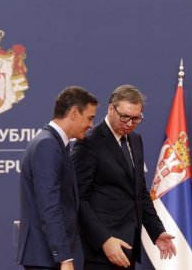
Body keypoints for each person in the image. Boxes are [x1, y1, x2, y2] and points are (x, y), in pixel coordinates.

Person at [71, 85, 176, 269]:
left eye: (136, 118)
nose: (129, 123)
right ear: (111, 109)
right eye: (125, 117)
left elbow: (139, 192)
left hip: (128, 249)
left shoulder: (135, 140)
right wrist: (104, 240)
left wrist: (157, 231)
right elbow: (79, 199)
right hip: (100, 253)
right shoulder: (89, 143)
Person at [16, 86, 98, 270]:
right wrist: (64, 258)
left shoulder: (55, 143)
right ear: (74, 113)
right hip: (48, 259)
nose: (92, 124)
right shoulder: (47, 145)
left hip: (49, 257)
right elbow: (49, 206)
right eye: (90, 117)